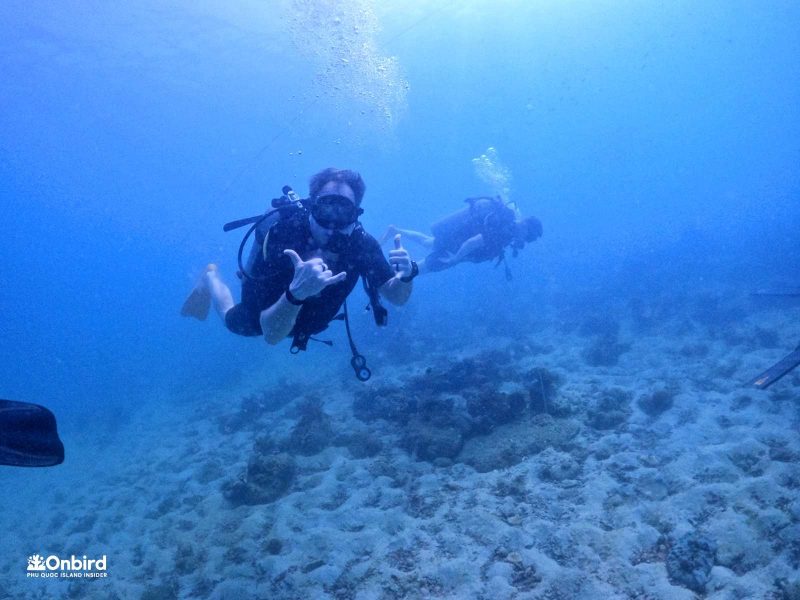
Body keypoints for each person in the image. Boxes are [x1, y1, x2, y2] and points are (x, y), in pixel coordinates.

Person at [181, 168, 417, 357]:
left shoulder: (361, 245)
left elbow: (397, 296)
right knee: (235, 323)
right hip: (268, 315)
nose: (332, 224)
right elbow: (271, 335)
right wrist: (296, 294)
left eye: (343, 211)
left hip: (310, 323)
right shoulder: (284, 238)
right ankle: (209, 277)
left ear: (355, 214)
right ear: (313, 207)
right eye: (326, 209)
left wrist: (407, 275)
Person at [381, 196, 542, 275]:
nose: (525, 241)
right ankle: (387, 273)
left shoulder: (506, 223)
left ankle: (396, 231)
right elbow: (474, 242)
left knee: (428, 242)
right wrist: (455, 259)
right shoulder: (504, 230)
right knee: (418, 269)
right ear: (526, 226)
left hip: (455, 238)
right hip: (456, 248)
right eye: (528, 237)